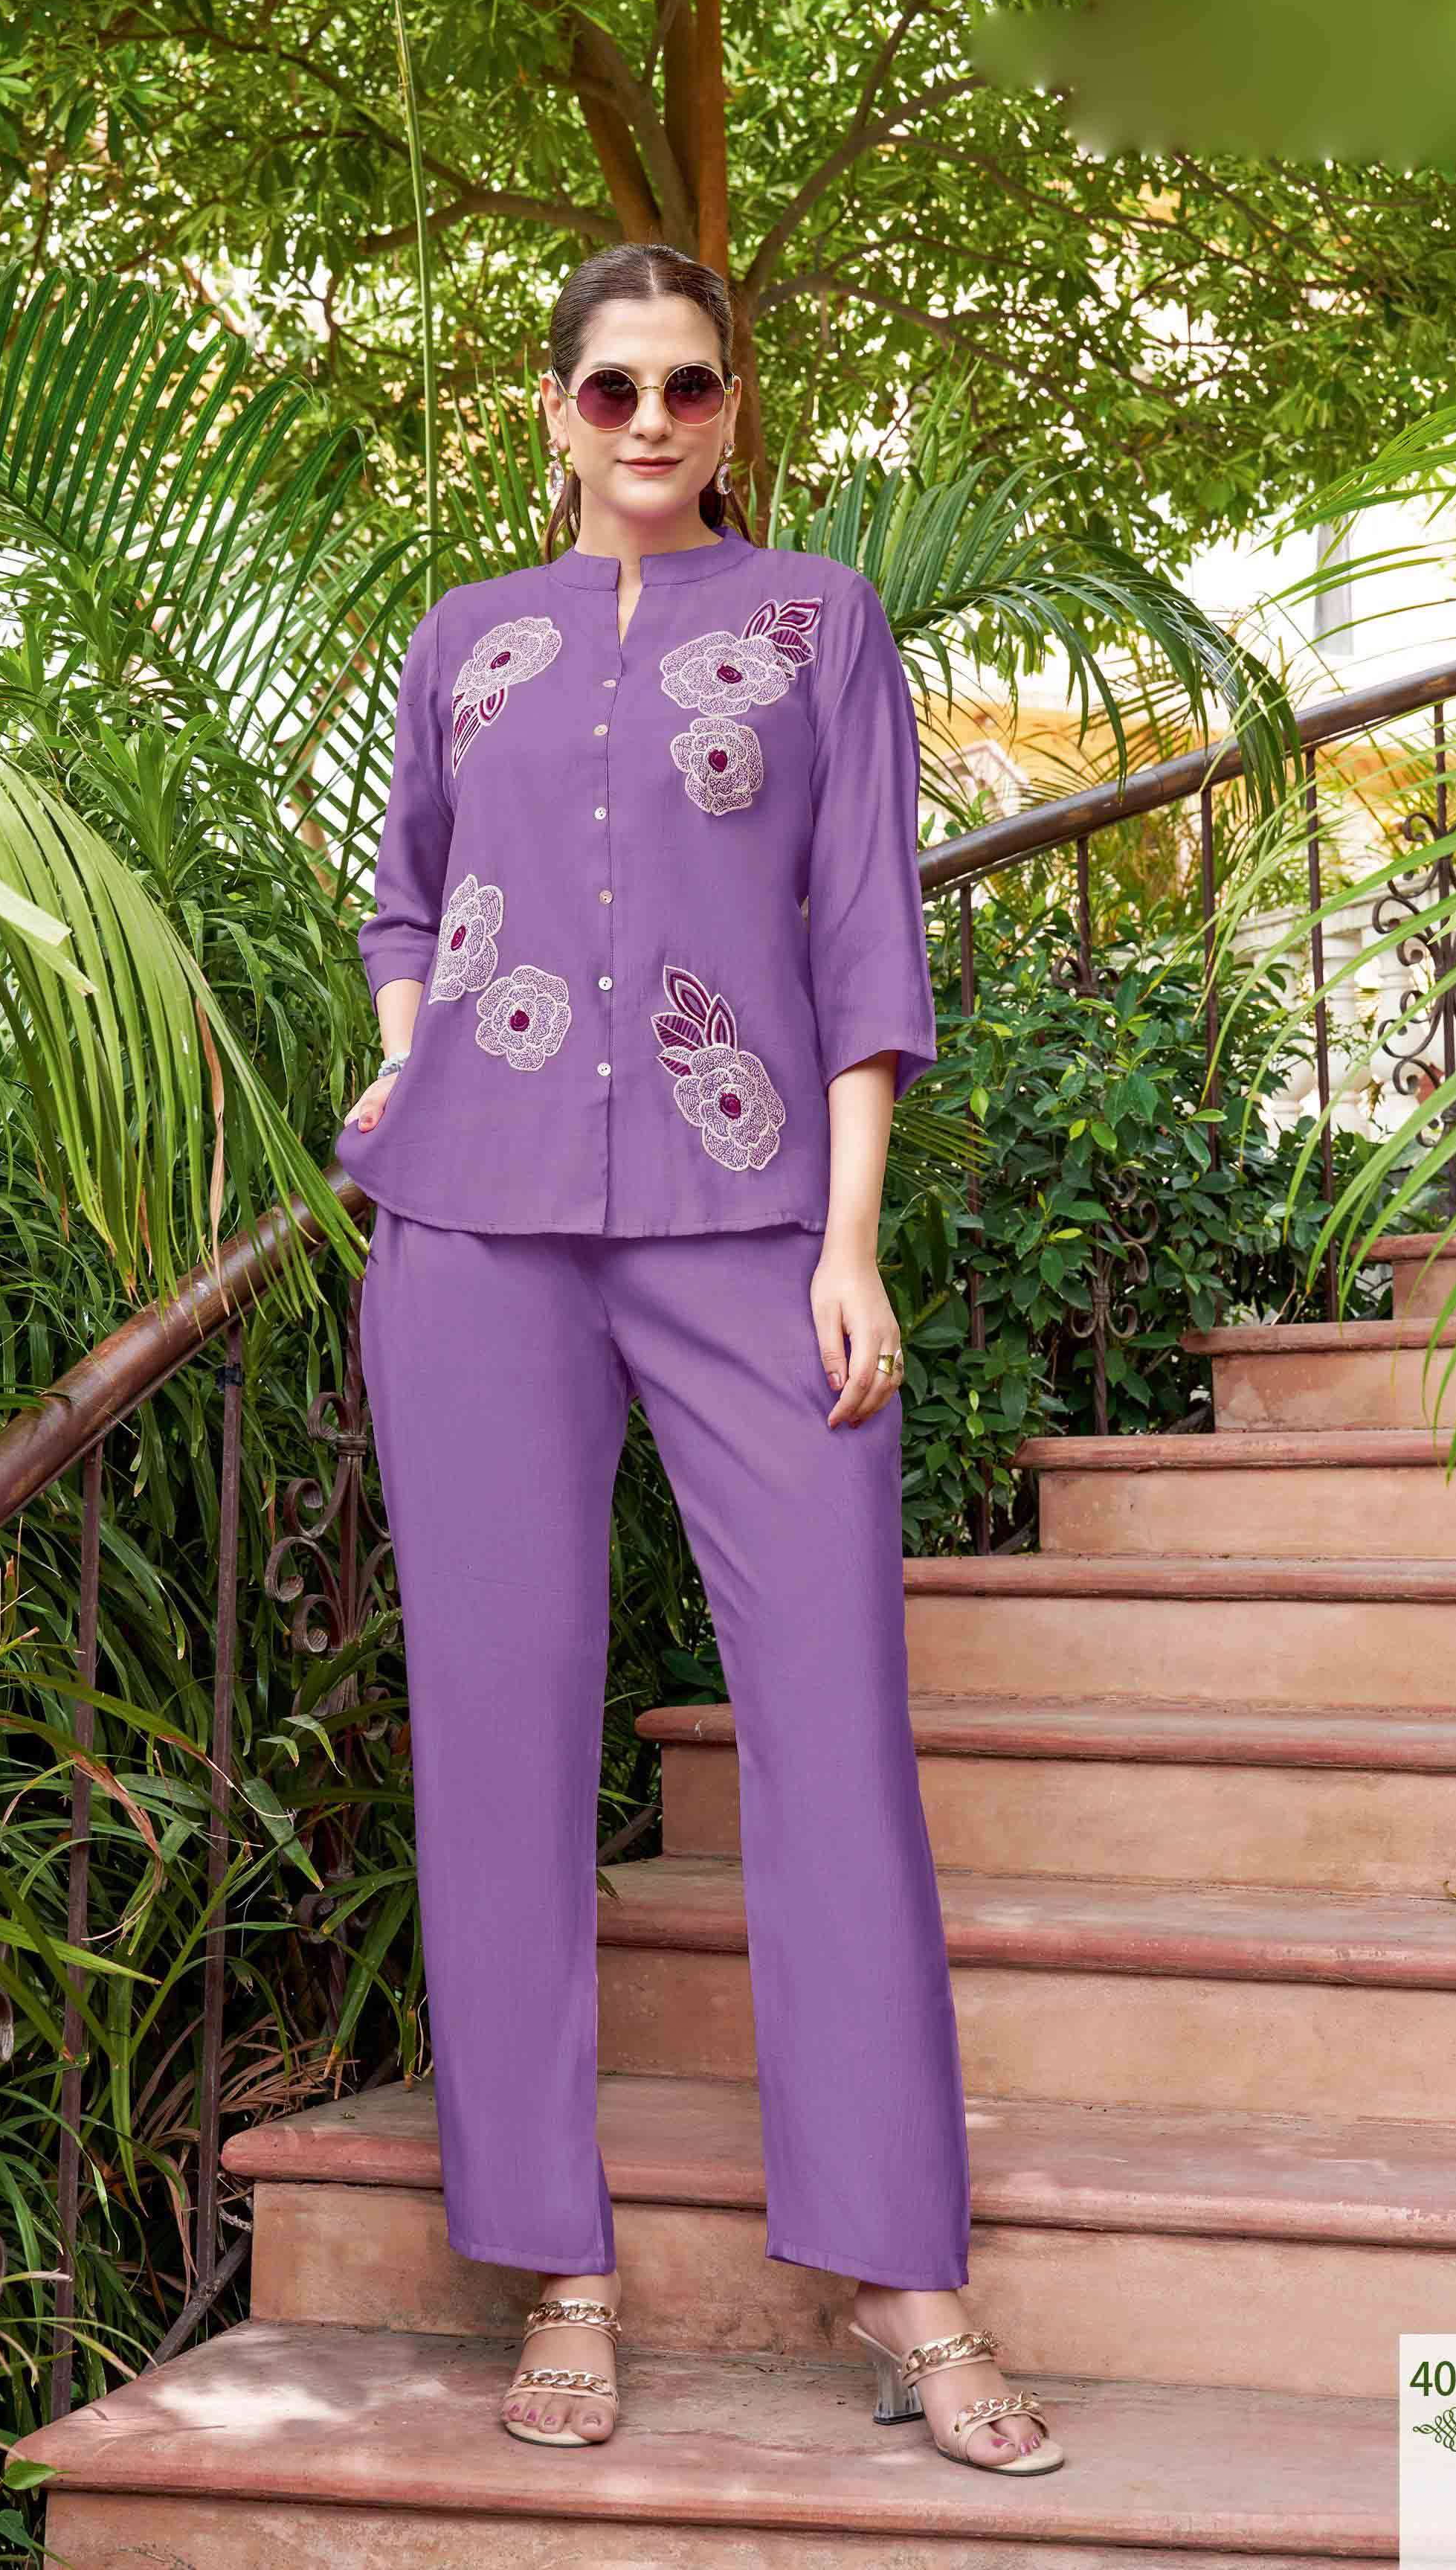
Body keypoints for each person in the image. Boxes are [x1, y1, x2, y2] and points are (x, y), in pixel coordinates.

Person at [334, 240, 1063, 2476]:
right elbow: (403, 894)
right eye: (611, 387)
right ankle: (555, 2270)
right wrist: (405, 1059)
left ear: (735, 409)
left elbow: (863, 928)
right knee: (498, 1731)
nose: (649, 420)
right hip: (472, 1232)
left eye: (688, 386)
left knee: (830, 1729)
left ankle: (907, 2282)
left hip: (754, 1234)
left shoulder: (824, 622)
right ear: (552, 409)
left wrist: (851, 1244)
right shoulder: (462, 638)